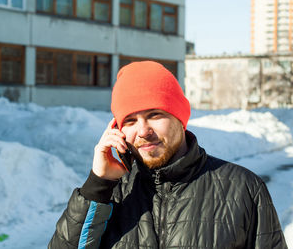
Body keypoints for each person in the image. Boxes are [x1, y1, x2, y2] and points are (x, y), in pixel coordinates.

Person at [48, 61, 288, 248]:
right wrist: (97, 185)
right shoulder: (111, 194)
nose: (143, 131)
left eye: (155, 115)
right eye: (130, 120)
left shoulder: (243, 187)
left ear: (180, 118)